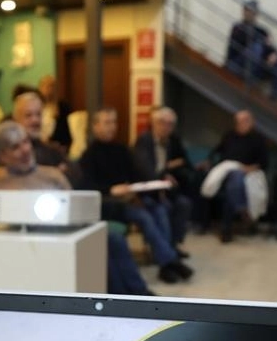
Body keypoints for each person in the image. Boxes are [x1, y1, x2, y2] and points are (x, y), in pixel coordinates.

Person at [0, 121, 154, 296]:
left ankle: (138, 294)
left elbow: (73, 210)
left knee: (108, 241)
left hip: (61, 236)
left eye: (26, 142)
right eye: (15, 147)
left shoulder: (52, 175)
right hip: (13, 247)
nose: (25, 150)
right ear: (1, 155)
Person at [79, 108, 194, 284]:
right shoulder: (88, 155)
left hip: (131, 197)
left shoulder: (121, 149)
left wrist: (149, 183)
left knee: (160, 210)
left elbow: (136, 175)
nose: (112, 127)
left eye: (114, 122)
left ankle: (167, 263)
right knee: (144, 217)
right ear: (95, 126)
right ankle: (169, 262)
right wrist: (111, 189)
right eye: (107, 122)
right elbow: (87, 187)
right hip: (110, 204)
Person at [133, 106, 201, 236]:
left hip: (165, 188)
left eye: (170, 124)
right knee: (164, 209)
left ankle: (173, 243)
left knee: (184, 204)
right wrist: (163, 176)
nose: (166, 127)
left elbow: (184, 162)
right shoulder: (144, 140)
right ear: (154, 123)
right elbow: (146, 172)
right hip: (147, 189)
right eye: (162, 123)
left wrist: (167, 173)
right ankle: (165, 246)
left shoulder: (171, 140)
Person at [205, 110, 270, 242]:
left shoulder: (258, 139)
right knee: (234, 177)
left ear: (251, 122)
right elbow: (217, 151)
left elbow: (264, 162)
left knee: (234, 183)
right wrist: (208, 161)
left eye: (245, 121)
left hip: (250, 172)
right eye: (238, 122)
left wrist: (249, 168)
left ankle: (226, 228)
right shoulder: (229, 136)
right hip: (228, 170)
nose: (241, 124)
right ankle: (244, 212)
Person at [37, 74, 73, 153]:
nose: (49, 90)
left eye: (52, 86)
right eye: (46, 86)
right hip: (39, 147)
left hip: (57, 147)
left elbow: (67, 131)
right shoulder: (36, 107)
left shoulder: (63, 107)